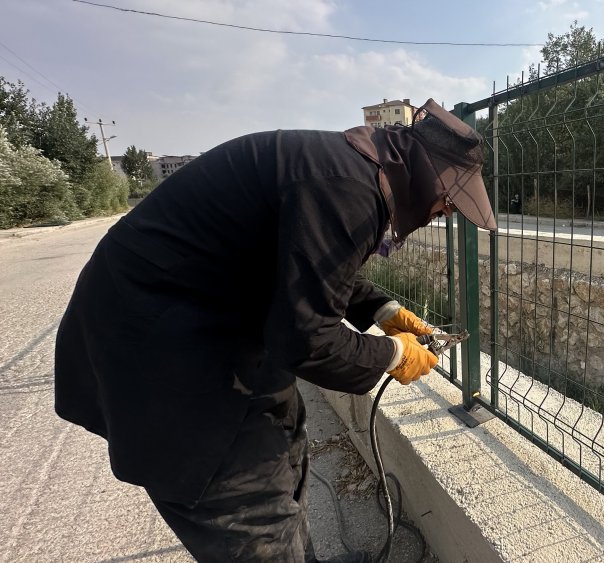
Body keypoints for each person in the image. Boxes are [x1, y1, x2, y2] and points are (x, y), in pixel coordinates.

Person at [53, 99, 497, 563]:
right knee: (248, 500)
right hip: (164, 351)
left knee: (284, 442)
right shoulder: (347, 190)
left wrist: (382, 310)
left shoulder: (355, 171)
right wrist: (393, 355)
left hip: (210, 319)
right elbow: (306, 340)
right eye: (449, 198)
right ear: (425, 177)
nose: (447, 212)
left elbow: (307, 265)